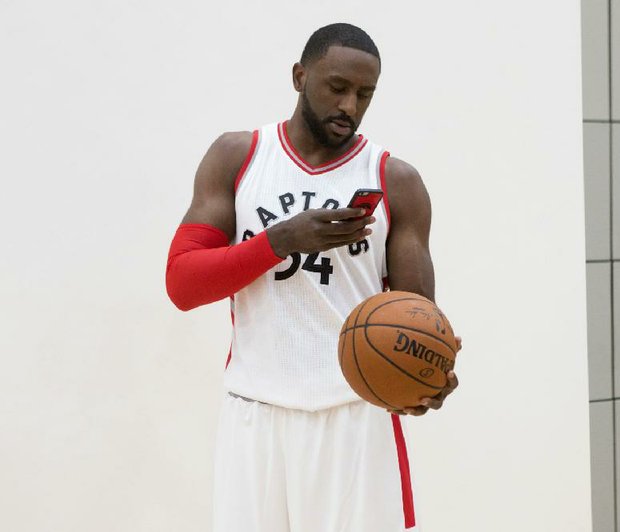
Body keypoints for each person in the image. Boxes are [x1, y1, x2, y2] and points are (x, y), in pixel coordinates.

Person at [165, 23, 460, 532]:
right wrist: (280, 241)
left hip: (353, 413)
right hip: (255, 412)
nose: (350, 106)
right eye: (337, 87)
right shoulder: (239, 157)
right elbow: (183, 285)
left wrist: (429, 377)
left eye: (365, 94)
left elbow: (416, 319)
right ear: (300, 76)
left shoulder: (395, 181)